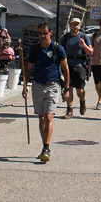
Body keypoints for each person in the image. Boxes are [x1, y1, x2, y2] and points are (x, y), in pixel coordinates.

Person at [22, 22, 69, 163]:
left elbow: (66, 69)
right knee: (41, 118)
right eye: (40, 33)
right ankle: (44, 146)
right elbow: (28, 68)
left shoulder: (57, 48)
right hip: (37, 85)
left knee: (49, 117)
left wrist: (66, 89)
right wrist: (25, 87)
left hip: (52, 86)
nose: (42, 36)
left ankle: (47, 148)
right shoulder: (35, 49)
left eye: (45, 33)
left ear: (50, 33)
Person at [61, 17, 93, 117]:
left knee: (80, 90)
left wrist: (84, 45)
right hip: (68, 65)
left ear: (79, 26)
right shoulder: (66, 37)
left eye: (77, 25)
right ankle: (69, 110)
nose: (75, 26)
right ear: (70, 25)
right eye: (73, 24)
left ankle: (82, 101)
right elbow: (60, 51)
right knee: (69, 88)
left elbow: (91, 52)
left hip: (80, 66)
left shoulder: (84, 37)